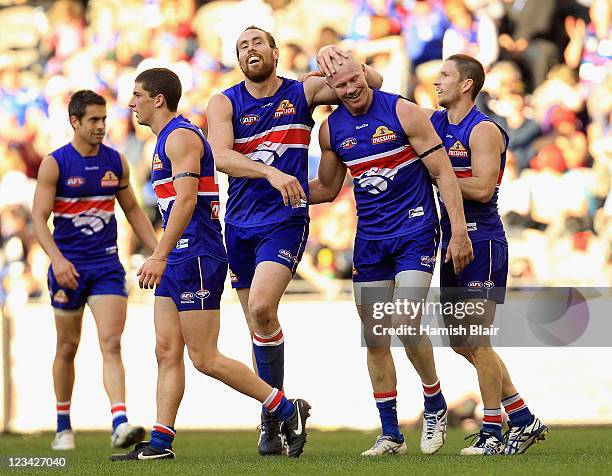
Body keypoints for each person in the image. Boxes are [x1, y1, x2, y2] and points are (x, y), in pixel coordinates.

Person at [111, 68, 310, 461]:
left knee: (204, 357)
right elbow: (176, 205)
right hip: (180, 255)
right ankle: (161, 443)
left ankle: (286, 409)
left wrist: (161, 254)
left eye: (137, 95)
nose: (130, 103)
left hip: (197, 254)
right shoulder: (164, 141)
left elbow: (187, 202)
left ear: (158, 99)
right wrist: (164, 253)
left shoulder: (181, 137)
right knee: (166, 350)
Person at [206, 26, 383, 456]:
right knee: (257, 324)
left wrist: (339, 58)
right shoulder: (224, 101)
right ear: (237, 57)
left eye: (257, 42)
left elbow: (373, 84)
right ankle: (279, 412)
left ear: (274, 52)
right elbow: (220, 155)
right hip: (240, 223)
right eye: (242, 44)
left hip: (284, 219)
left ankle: (274, 415)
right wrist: (271, 172)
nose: (250, 49)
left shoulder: (302, 92)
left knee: (262, 307)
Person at [309, 54, 473, 456]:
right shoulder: (331, 130)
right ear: (333, 88)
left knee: (404, 317)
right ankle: (391, 434)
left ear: (365, 75)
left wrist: (457, 231)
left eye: (356, 81)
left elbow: (443, 173)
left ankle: (433, 401)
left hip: (415, 231)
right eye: (342, 86)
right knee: (375, 336)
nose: (351, 90)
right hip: (371, 239)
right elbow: (327, 189)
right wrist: (276, 189)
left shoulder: (403, 111)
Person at [427, 54, 548, 455]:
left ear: (466, 85)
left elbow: (481, 189)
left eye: (444, 75)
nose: (435, 80)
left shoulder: (484, 130)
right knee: (461, 343)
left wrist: (440, 173)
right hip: (451, 240)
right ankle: (524, 418)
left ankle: (493, 432)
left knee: (477, 339)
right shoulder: (435, 123)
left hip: (483, 241)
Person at [31, 90, 158, 450]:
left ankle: (119, 422)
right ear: (75, 122)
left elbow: (133, 210)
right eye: (94, 120)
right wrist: (57, 259)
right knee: (67, 347)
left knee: (112, 343)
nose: (102, 126)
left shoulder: (116, 162)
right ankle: (63, 427)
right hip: (67, 267)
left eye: (104, 119)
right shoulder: (54, 164)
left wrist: (159, 250)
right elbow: (38, 220)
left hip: (105, 265)